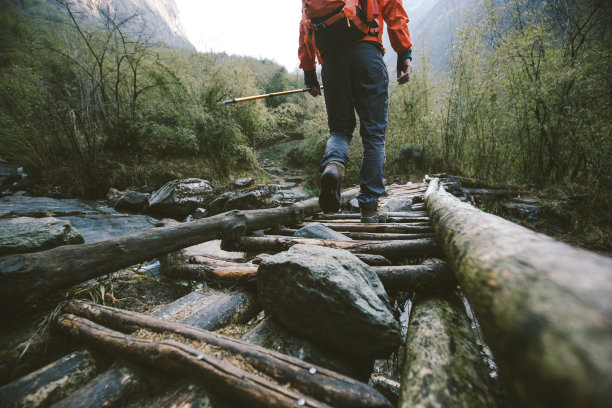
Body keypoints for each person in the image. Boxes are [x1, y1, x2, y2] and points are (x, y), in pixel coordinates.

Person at [298, 0, 413, 222]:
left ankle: (334, 165)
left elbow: (305, 24)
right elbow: (392, 8)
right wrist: (403, 53)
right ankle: (369, 208)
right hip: (367, 54)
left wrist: (309, 70)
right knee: (373, 136)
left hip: (331, 62)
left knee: (339, 130)